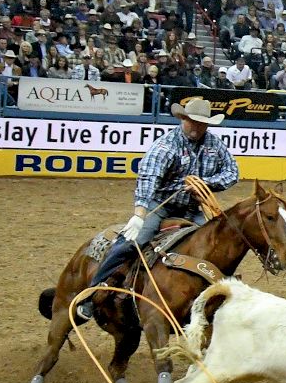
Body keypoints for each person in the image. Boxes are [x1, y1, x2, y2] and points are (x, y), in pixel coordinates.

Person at [76, 99, 240, 320]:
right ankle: (92, 293)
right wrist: (139, 214)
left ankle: (220, 297)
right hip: (161, 206)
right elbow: (148, 180)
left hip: (193, 208)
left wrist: (206, 182)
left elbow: (232, 172)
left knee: (217, 245)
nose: (196, 127)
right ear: (183, 119)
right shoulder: (166, 146)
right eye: (192, 122)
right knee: (131, 243)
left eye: (201, 124)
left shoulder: (214, 144)